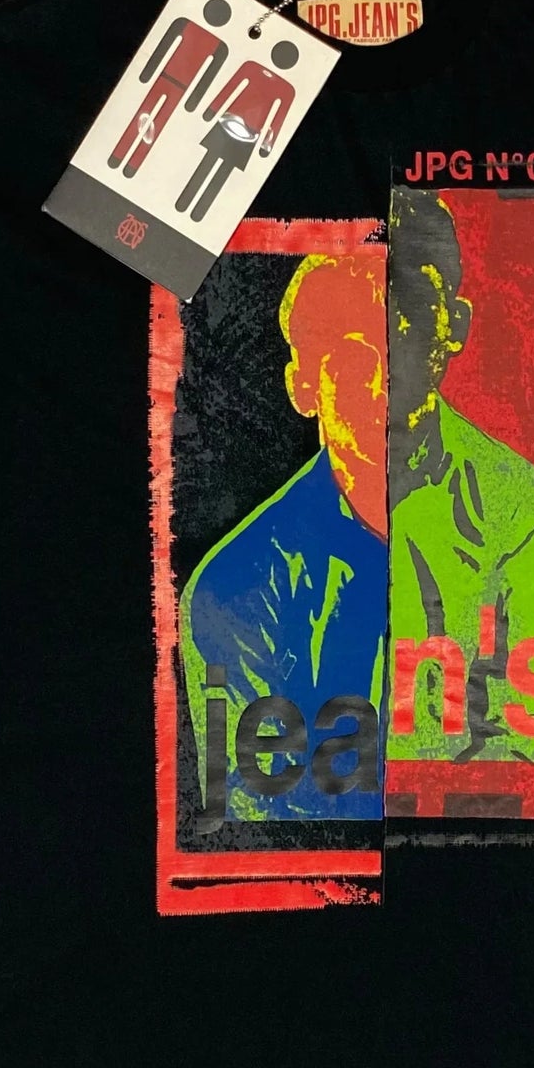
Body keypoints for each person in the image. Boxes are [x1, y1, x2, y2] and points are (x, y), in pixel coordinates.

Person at [180, 249, 389, 820]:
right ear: (303, 388)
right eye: (356, 360)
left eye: (402, 352)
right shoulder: (237, 584)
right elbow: (270, 823)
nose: (387, 384)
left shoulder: (503, 516)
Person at [386, 189, 534, 763]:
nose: (389, 329)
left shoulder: (515, 499)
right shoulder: (274, 520)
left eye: (412, 301)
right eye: (365, 299)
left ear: (457, 325)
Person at [108, 0, 232, 178]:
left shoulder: (198, 33)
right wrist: (148, 73)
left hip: (172, 83)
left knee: (149, 119)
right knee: (148, 118)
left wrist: (149, 74)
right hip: (172, 83)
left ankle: (126, 162)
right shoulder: (204, 37)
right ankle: (123, 160)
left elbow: (207, 74)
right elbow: (165, 48)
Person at [178, 40, 298, 223]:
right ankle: (190, 208)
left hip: (239, 129)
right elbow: (277, 118)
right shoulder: (278, 84)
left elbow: (277, 118)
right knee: (215, 165)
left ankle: (194, 211)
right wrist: (266, 146)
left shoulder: (269, 78)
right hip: (240, 128)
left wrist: (211, 111)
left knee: (216, 166)